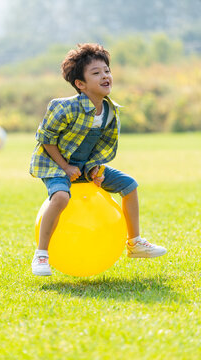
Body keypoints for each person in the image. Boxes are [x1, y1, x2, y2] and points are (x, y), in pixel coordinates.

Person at [30, 43, 167, 276]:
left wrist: (95, 169)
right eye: (96, 73)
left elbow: (101, 148)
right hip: (55, 165)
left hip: (84, 166)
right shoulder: (63, 107)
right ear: (80, 84)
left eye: (107, 71)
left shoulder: (110, 111)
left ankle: (134, 243)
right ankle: (41, 254)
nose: (105, 76)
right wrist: (65, 166)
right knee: (62, 197)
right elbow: (45, 139)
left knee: (129, 185)